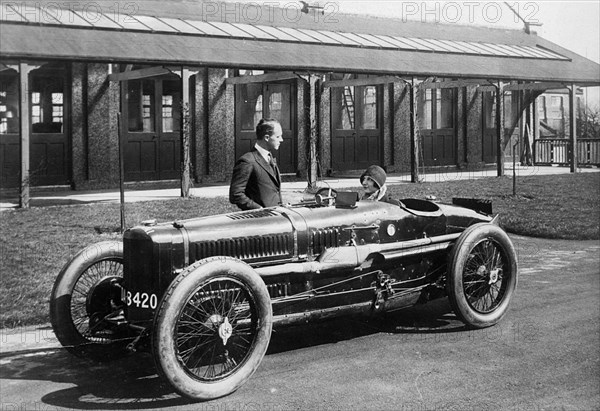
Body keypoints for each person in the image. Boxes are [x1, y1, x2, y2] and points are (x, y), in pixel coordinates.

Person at [229, 118, 283, 210]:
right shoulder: (247, 161)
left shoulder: (269, 157)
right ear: (266, 138)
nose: (281, 140)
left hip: (275, 218)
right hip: (259, 219)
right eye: (278, 137)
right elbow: (236, 194)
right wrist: (259, 209)